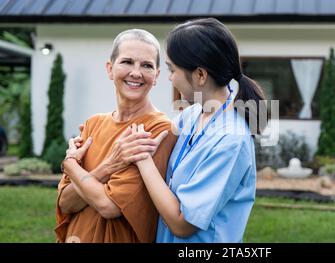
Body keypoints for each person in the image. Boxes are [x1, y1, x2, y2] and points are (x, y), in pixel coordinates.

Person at [128, 18, 267, 242]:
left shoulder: (231, 140)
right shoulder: (192, 115)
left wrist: (142, 160)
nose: (170, 77)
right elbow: (156, 141)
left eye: (173, 69)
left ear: (200, 75)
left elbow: (182, 224)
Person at [55, 29, 177, 243]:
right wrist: (108, 167)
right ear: (110, 69)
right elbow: (65, 203)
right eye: (127, 62)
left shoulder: (158, 129)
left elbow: (109, 206)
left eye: (146, 65)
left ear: (156, 75)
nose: (136, 73)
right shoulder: (93, 125)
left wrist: (71, 166)